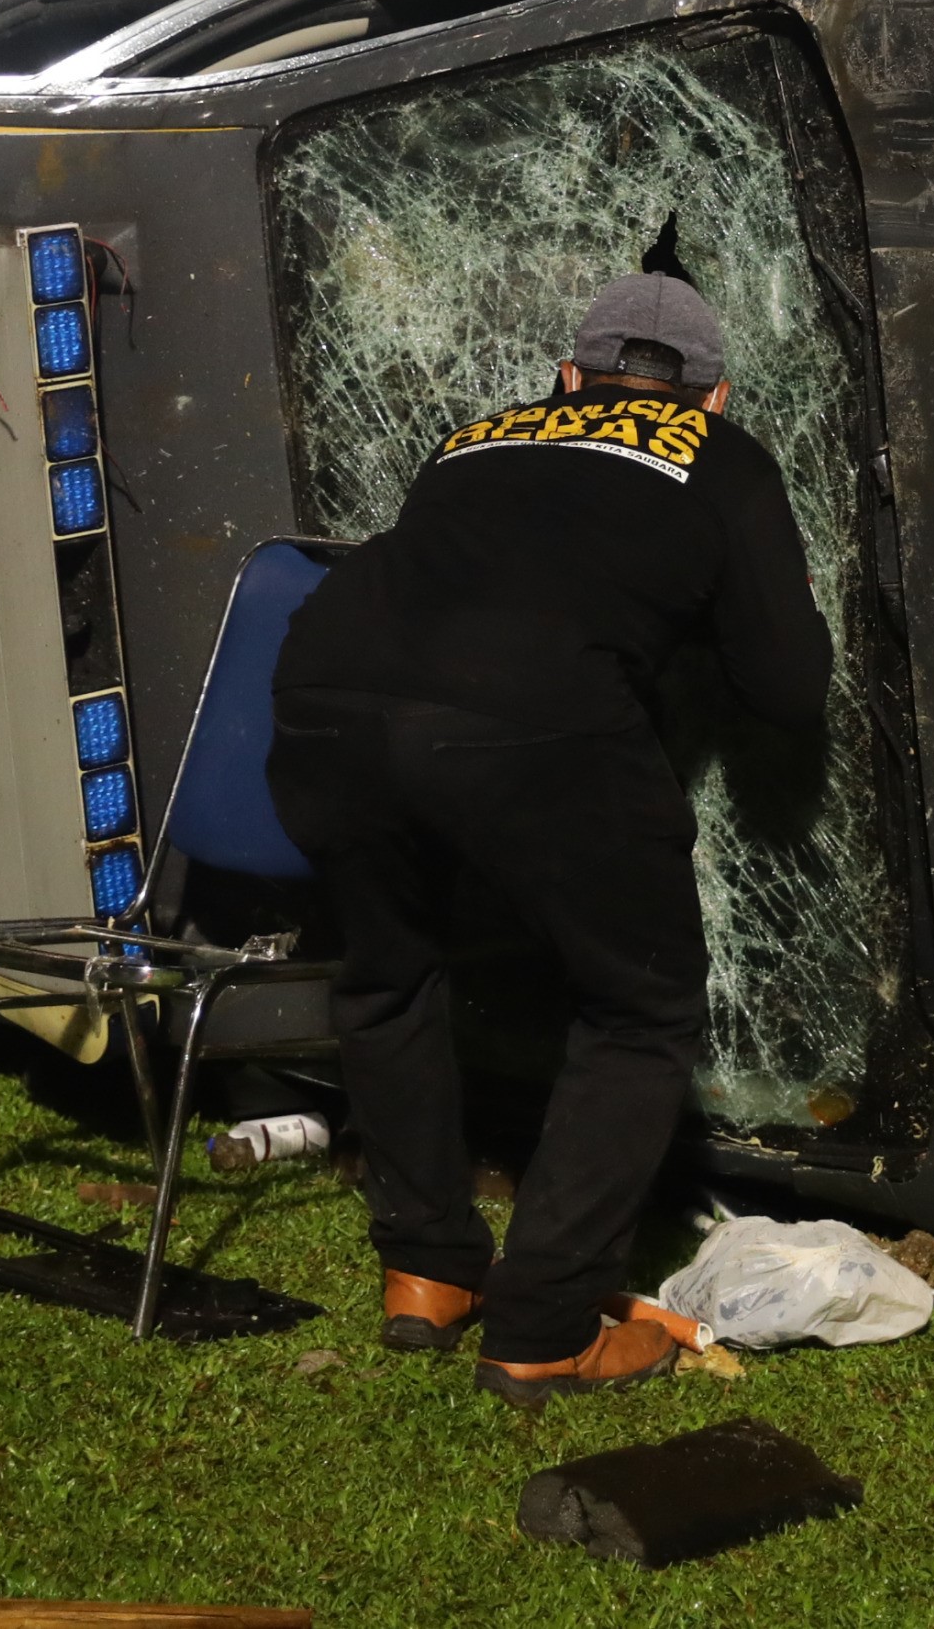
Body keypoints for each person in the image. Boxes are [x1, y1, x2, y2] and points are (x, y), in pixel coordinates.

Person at [268, 244, 833, 1407]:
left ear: (564, 380)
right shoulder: (721, 458)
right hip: (524, 721)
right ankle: (542, 1324)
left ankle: (425, 1269)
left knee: (385, 973)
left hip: (320, 692)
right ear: (714, 396)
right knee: (638, 1005)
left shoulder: (478, 435)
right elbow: (787, 686)